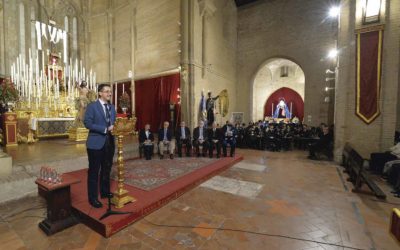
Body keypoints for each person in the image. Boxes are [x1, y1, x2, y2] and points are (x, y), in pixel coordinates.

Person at [84, 83, 116, 208]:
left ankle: (104, 192)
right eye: (107, 91)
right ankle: (92, 198)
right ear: (100, 93)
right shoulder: (92, 106)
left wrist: (116, 128)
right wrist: (104, 129)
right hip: (95, 144)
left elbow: (114, 122)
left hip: (110, 143)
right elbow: (87, 123)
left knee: (106, 169)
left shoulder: (112, 107)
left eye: (110, 91)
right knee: (94, 171)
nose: (109, 93)